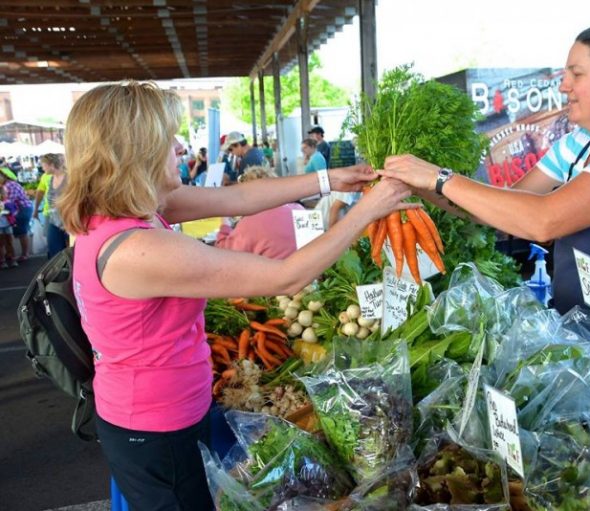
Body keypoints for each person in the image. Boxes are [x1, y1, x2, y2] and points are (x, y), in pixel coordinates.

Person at [56, 80, 413, 510]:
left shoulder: (125, 213)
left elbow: (236, 196)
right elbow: (285, 277)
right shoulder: (138, 250)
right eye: (168, 140)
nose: (180, 149)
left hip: (161, 410)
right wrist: (370, 210)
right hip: (156, 427)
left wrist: (327, 179)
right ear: (137, 153)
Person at [382, 20, 590, 345]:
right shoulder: (578, 144)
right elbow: (505, 207)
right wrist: (421, 187)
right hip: (588, 336)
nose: (563, 86)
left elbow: (543, 220)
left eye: (576, 74)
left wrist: (438, 177)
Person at [215, 166, 304, 258]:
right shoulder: (299, 209)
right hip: (307, 270)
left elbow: (223, 253)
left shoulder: (251, 223)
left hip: (272, 271)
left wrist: (224, 222)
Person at [36, 153, 69, 259]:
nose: (42, 167)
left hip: (68, 220)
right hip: (53, 220)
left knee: (73, 250)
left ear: (51, 165)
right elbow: (42, 194)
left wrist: (62, 203)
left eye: (43, 165)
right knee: (54, 250)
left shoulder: (69, 178)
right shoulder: (49, 179)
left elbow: (77, 198)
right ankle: (59, 273)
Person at [0, 166, 33, 262]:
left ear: (4, 176)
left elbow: (8, 200)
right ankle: (16, 254)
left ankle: (25, 254)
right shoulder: (10, 184)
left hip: (22, 209)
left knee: (22, 232)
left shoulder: (8, 185)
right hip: (22, 208)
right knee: (20, 232)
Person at [0, 186, 18, 268]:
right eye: (3, 193)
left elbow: (15, 211)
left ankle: (13, 259)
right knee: (1, 244)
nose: (5, 195)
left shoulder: (8, 202)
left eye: (5, 193)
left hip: (7, 225)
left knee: (10, 242)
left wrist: (10, 211)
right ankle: (2, 261)